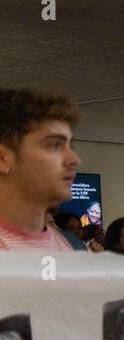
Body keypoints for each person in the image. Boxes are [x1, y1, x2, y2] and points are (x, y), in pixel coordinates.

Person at [0, 88, 81, 252]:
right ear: (3, 158)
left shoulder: (64, 246)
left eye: (70, 146)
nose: (74, 159)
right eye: (54, 145)